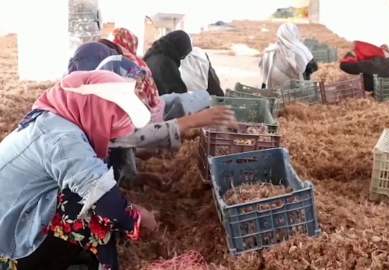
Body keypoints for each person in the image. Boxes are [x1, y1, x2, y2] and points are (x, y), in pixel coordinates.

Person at [0, 70, 237, 270]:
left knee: (93, 209)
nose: (115, 125)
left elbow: (99, 174)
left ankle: (77, 256)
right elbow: (106, 201)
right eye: (113, 116)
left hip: (23, 212)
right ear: (96, 107)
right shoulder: (61, 139)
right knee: (102, 219)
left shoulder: (56, 119)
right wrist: (138, 216)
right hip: (11, 238)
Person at [259, 23, 318, 90]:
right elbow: (314, 67)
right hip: (295, 92)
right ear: (295, 34)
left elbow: (264, 76)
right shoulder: (300, 49)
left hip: (273, 90)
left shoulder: (269, 51)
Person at [143, 30, 192, 95]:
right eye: (183, 54)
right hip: (161, 102)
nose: (182, 58)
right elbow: (180, 95)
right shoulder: (167, 64)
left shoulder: (151, 55)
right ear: (179, 48)